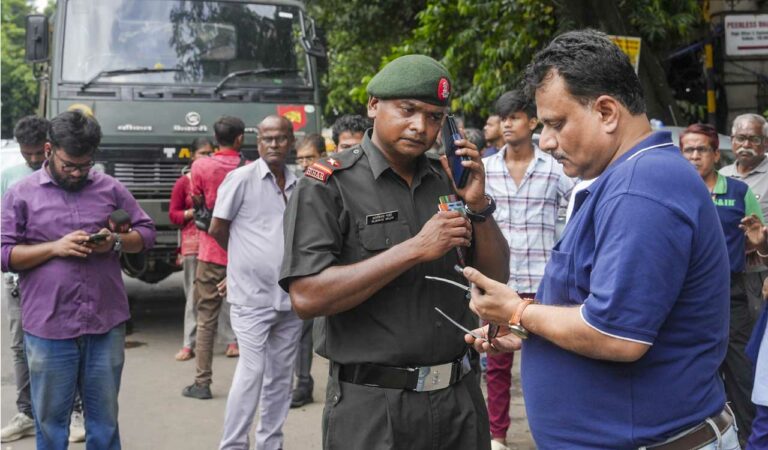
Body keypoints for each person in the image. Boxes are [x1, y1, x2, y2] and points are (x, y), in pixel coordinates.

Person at [463, 29, 737, 449]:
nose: (547, 141)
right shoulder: (625, 179)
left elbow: (618, 336)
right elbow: (601, 307)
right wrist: (531, 328)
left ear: (607, 112)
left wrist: (518, 310)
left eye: (556, 123)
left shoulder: (641, 187)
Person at [280, 54, 510, 449]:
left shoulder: (446, 178)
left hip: (457, 398)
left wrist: (478, 206)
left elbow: (495, 277)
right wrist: (414, 249)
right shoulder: (326, 184)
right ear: (373, 105)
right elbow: (306, 296)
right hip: (373, 407)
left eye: (435, 117)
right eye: (408, 110)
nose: (421, 126)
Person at [1, 110, 156, 449]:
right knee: (51, 424)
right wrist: (55, 247)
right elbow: (5, 254)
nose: (77, 173)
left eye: (85, 165)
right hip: (48, 326)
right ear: (48, 150)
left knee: (104, 422)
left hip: (105, 321)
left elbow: (146, 233)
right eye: (69, 164)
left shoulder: (110, 188)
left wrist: (113, 241)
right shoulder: (21, 194)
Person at [481, 89, 573, 450]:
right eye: (502, 117)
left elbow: (579, 211)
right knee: (497, 364)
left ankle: (556, 434)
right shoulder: (486, 170)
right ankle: (498, 437)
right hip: (500, 282)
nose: (506, 124)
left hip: (543, 283)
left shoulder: (554, 168)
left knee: (550, 364)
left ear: (531, 122)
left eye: (514, 117)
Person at [214, 115, 302, 450]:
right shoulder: (240, 179)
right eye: (267, 139)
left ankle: (270, 444)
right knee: (251, 373)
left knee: (280, 378)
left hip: (290, 299)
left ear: (291, 140)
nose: (274, 144)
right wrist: (240, 264)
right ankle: (234, 445)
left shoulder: (299, 183)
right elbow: (218, 229)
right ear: (257, 142)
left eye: (280, 138)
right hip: (251, 300)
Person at [681, 123, 763, 443]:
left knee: (742, 374)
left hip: (733, 295)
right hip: (687, 300)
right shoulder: (675, 191)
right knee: (699, 374)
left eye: (702, 149)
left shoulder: (739, 192)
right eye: (689, 150)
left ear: (716, 154)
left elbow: (756, 239)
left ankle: (748, 441)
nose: (695, 156)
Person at [182, 116, 247, 400]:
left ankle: (202, 382)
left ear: (215, 137)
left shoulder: (200, 166)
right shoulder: (249, 168)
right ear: (240, 138)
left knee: (206, 317)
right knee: (252, 318)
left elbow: (195, 201)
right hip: (244, 253)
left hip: (210, 253)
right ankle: (251, 385)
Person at [1, 115, 48, 443]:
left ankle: (74, 410)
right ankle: (27, 413)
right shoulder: (9, 178)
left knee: (66, 343)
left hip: (55, 278)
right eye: (26, 153)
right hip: (18, 279)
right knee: (20, 346)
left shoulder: (65, 175)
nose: (32, 159)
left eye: (38, 153)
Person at [169, 137, 219, 362]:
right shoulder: (183, 183)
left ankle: (230, 341)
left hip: (217, 244)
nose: (207, 157)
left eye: (210, 153)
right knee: (193, 295)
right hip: (192, 246)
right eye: (202, 153)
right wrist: (193, 212)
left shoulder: (219, 176)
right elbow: (174, 215)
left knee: (224, 293)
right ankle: (188, 344)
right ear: (192, 156)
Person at [720, 114, 768, 322]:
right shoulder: (722, 175)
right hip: (728, 274)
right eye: (740, 138)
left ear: (765, 143)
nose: (745, 144)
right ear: (732, 140)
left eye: (754, 139)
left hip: (760, 272)